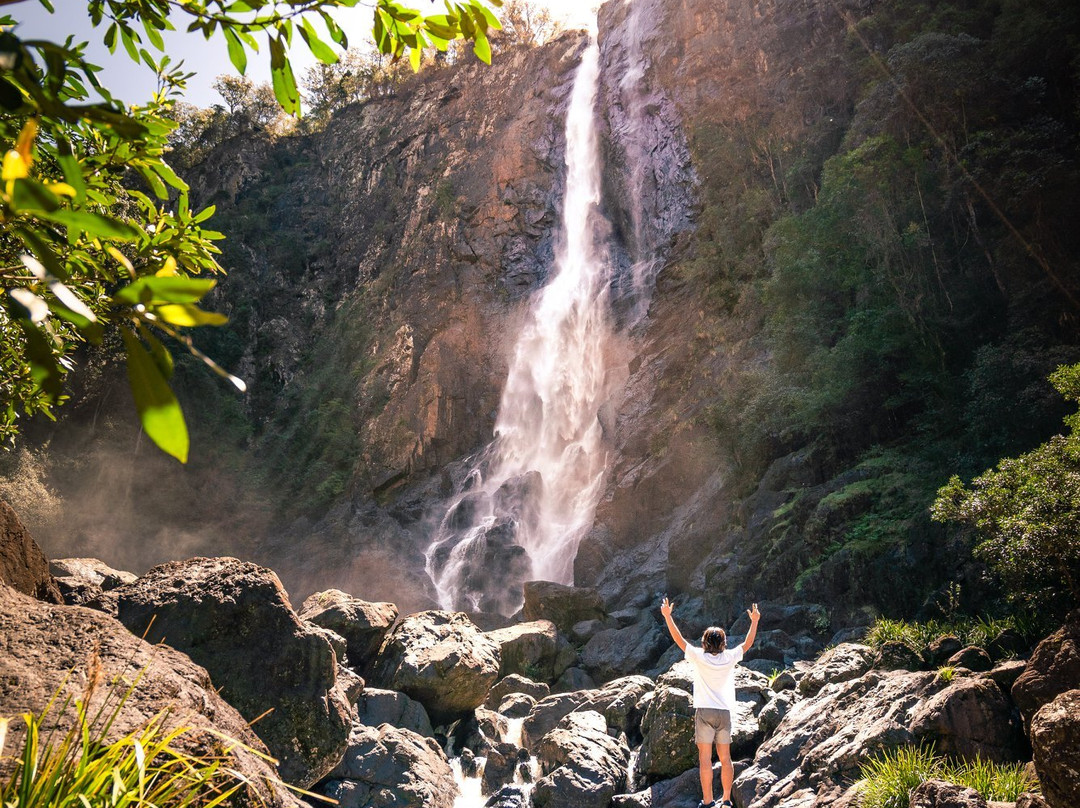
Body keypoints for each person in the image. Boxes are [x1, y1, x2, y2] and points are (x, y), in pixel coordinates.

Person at [660, 596, 760, 808]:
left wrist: (668, 616)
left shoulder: (699, 657)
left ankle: (707, 802)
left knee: (705, 759)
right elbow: (748, 643)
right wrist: (754, 621)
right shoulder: (730, 657)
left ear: (704, 643)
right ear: (724, 643)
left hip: (704, 712)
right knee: (725, 759)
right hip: (724, 712)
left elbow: (679, 640)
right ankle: (726, 800)